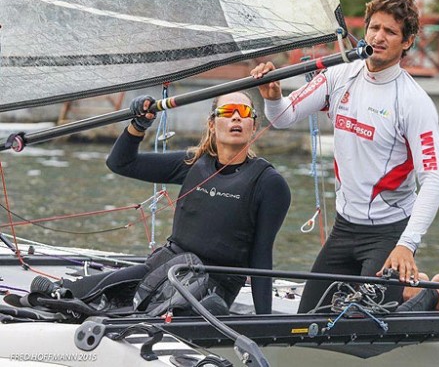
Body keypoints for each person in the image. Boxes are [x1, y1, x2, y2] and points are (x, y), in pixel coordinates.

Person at [251, 0, 439, 313]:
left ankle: (435, 292)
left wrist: (406, 245)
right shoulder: (338, 76)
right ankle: (414, 288)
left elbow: (434, 181)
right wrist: (271, 97)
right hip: (345, 228)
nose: (379, 37)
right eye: (374, 28)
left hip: (388, 232)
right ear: (365, 29)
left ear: (407, 41)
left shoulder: (414, 103)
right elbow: (285, 116)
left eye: (390, 31)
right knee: (306, 320)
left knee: (367, 321)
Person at [29, 91, 291, 315]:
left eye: (244, 112)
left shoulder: (269, 183)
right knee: (68, 293)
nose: (236, 117)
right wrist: (138, 126)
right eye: (228, 111)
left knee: (190, 307)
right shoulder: (192, 163)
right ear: (212, 124)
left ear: (254, 126)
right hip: (164, 268)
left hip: (211, 287)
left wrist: (263, 321)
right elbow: (120, 162)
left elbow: (261, 257)